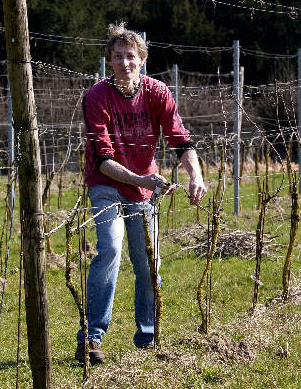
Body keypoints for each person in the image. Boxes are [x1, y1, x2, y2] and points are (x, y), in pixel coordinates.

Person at [75, 22, 207, 364]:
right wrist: (143, 180)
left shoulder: (157, 93)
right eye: (117, 56)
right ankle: (91, 339)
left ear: (142, 59)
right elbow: (103, 160)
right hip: (107, 185)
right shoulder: (95, 97)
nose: (124, 63)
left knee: (149, 261)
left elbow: (180, 140)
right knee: (110, 249)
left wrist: (196, 174)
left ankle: (148, 337)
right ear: (109, 60)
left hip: (142, 192)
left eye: (130, 56)